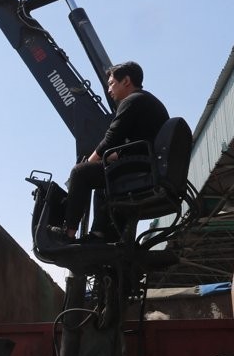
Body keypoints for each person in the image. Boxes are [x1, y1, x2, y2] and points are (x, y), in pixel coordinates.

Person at [51, 61, 169, 241]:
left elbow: (110, 139)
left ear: (126, 81)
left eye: (112, 83)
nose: (109, 90)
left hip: (141, 168)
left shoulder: (132, 100)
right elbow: (135, 143)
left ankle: (68, 233)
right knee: (104, 172)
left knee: (81, 173)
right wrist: (105, 159)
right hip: (148, 164)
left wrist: (88, 163)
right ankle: (104, 233)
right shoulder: (147, 101)